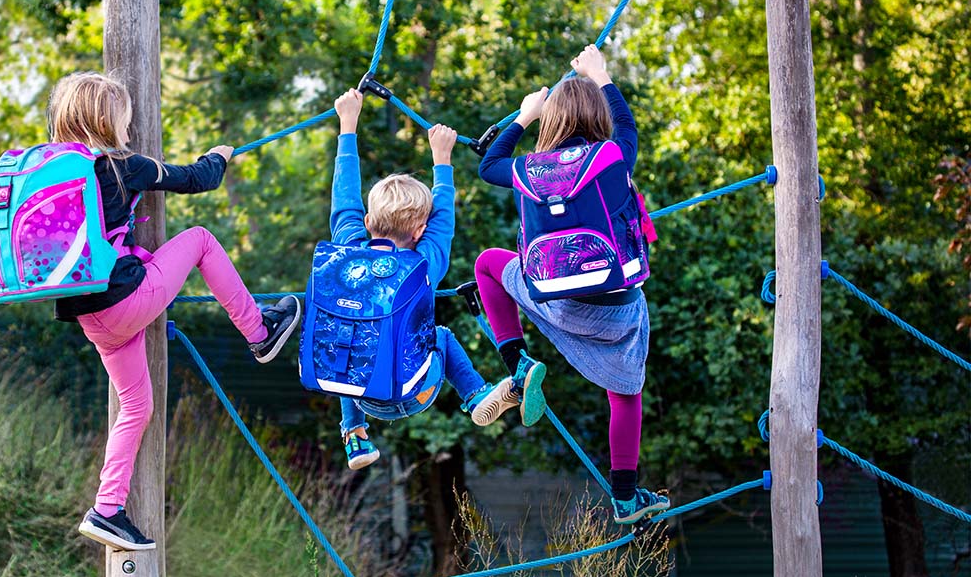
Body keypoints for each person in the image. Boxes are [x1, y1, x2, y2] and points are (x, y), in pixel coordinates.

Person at [48, 72, 302, 550]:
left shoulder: (58, 176)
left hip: (90, 317)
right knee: (202, 239)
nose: (129, 128)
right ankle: (259, 331)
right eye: (124, 119)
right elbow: (196, 178)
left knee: (136, 405)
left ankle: (106, 509)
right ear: (107, 122)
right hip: (125, 302)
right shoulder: (126, 166)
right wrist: (219, 157)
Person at [474, 44, 670, 525]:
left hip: (555, 302)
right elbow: (628, 129)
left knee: (487, 264)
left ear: (551, 122)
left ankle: (517, 366)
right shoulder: (611, 157)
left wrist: (522, 116)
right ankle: (625, 498)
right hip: (617, 310)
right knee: (625, 393)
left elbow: (487, 165)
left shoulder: (528, 170)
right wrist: (601, 75)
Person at [327, 88, 545, 470]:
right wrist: (441, 158)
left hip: (363, 395)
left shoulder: (348, 252)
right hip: (417, 391)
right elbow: (443, 222)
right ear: (419, 232)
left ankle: (354, 436)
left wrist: (348, 125)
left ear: (365, 224)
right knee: (440, 336)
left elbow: (344, 200)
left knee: (348, 337)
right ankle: (476, 396)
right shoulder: (423, 264)